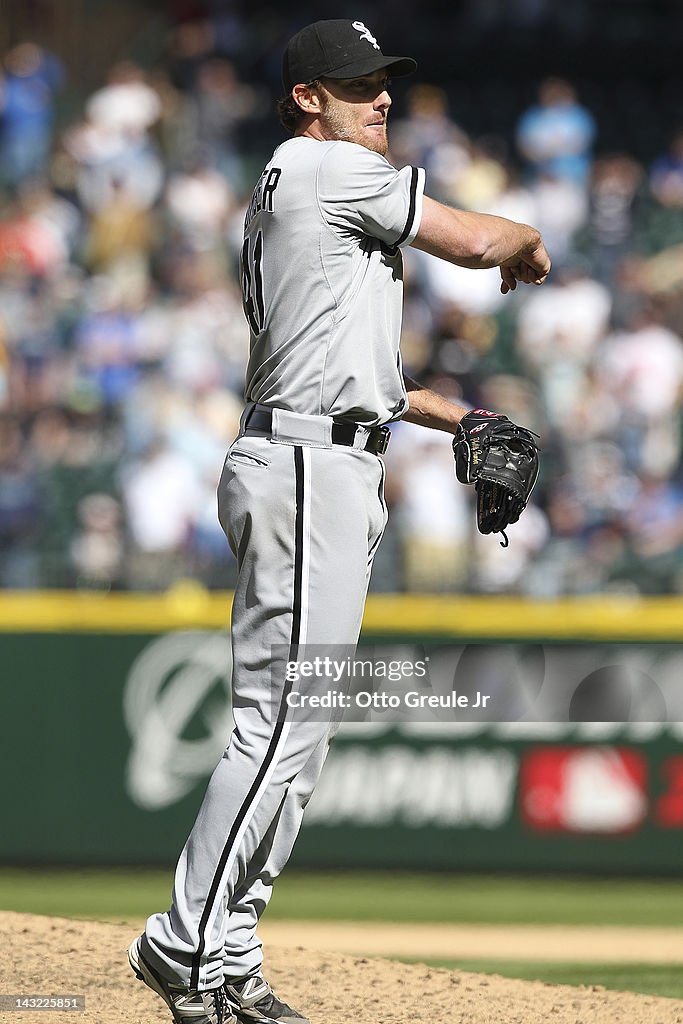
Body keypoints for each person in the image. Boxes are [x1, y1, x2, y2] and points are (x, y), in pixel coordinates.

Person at [128, 19, 551, 1024]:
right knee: (278, 720)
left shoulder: (308, 194)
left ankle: (227, 951)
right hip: (309, 466)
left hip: (319, 449)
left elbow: (368, 380)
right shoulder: (318, 169)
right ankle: (182, 937)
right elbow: (482, 240)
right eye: (356, 84)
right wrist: (526, 244)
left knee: (300, 732)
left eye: (384, 83)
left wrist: (467, 414)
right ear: (305, 98)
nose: (380, 98)